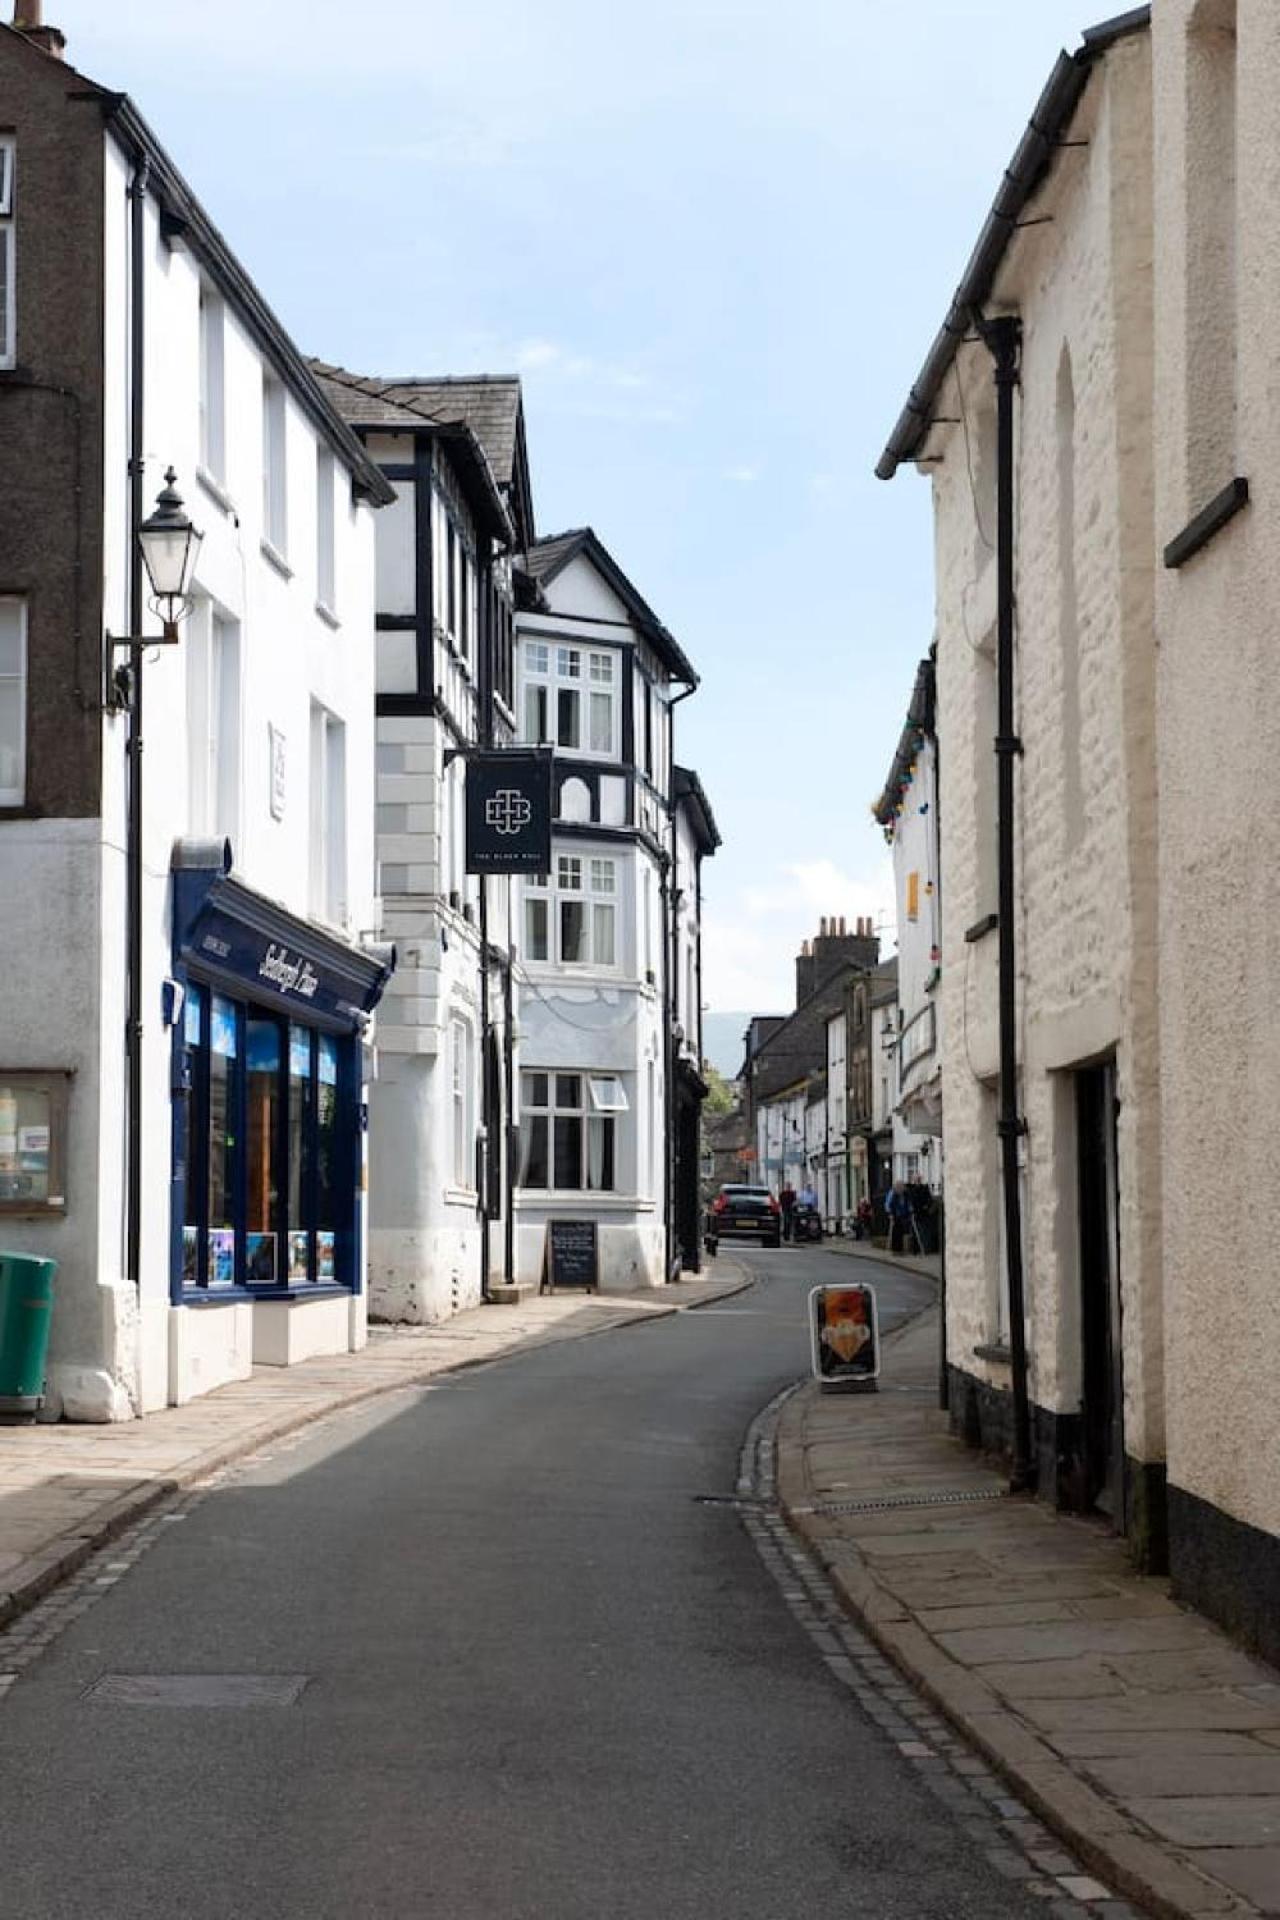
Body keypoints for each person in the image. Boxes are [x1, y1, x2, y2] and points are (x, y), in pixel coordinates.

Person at [884, 1180, 910, 1253]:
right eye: (899, 1187)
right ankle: (896, 1249)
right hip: (896, 1215)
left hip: (903, 1214)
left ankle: (900, 1248)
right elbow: (889, 1204)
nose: (900, 1188)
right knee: (896, 1232)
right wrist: (890, 1213)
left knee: (901, 1232)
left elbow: (907, 1203)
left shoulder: (905, 1194)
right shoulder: (893, 1194)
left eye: (901, 1186)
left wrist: (910, 1210)